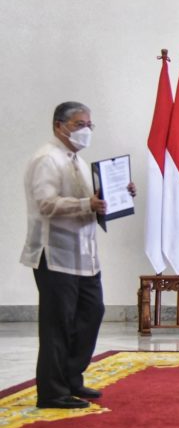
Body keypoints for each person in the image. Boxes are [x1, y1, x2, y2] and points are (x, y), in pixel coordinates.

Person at [21, 101, 135, 409]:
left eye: (89, 125)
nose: (86, 130)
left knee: (92, 313)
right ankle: (52, 391)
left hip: (84, 255)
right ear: (59, 125)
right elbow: (46, 203)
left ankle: (71, 376)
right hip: (55, 252)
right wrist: (88, 205)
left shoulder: (79, 161)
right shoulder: (47, 159)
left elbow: (94, 199)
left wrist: (120, 194)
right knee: (58, 323)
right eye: (79, 124)